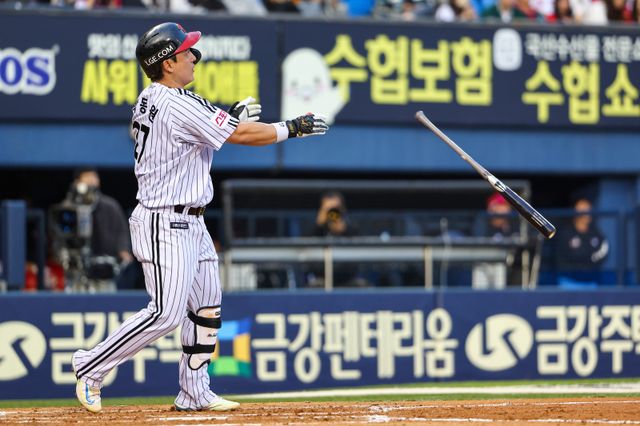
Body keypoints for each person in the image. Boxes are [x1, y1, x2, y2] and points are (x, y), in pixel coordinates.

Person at [71, 22, 328, 414]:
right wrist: (290, 128)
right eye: (186, 51)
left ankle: (194, 391)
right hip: (163, 220)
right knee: (166, 313)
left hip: (191, 220)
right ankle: (91, 366)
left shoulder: (156, 97)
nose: (194, 56)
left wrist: (231, 118)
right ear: (167, 63)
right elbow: (241, 136)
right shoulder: (176, 102)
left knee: (207, 305)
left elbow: (198, 140)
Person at [555, 197, 609, 287]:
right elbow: (561, 257)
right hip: (568, 282)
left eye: (588, 210)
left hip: (591, 282)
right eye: (583, 211)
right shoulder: (566, 233)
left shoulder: (596, 233)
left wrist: (588, 262)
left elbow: (603, 251)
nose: (586, 214)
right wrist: (580, 262)